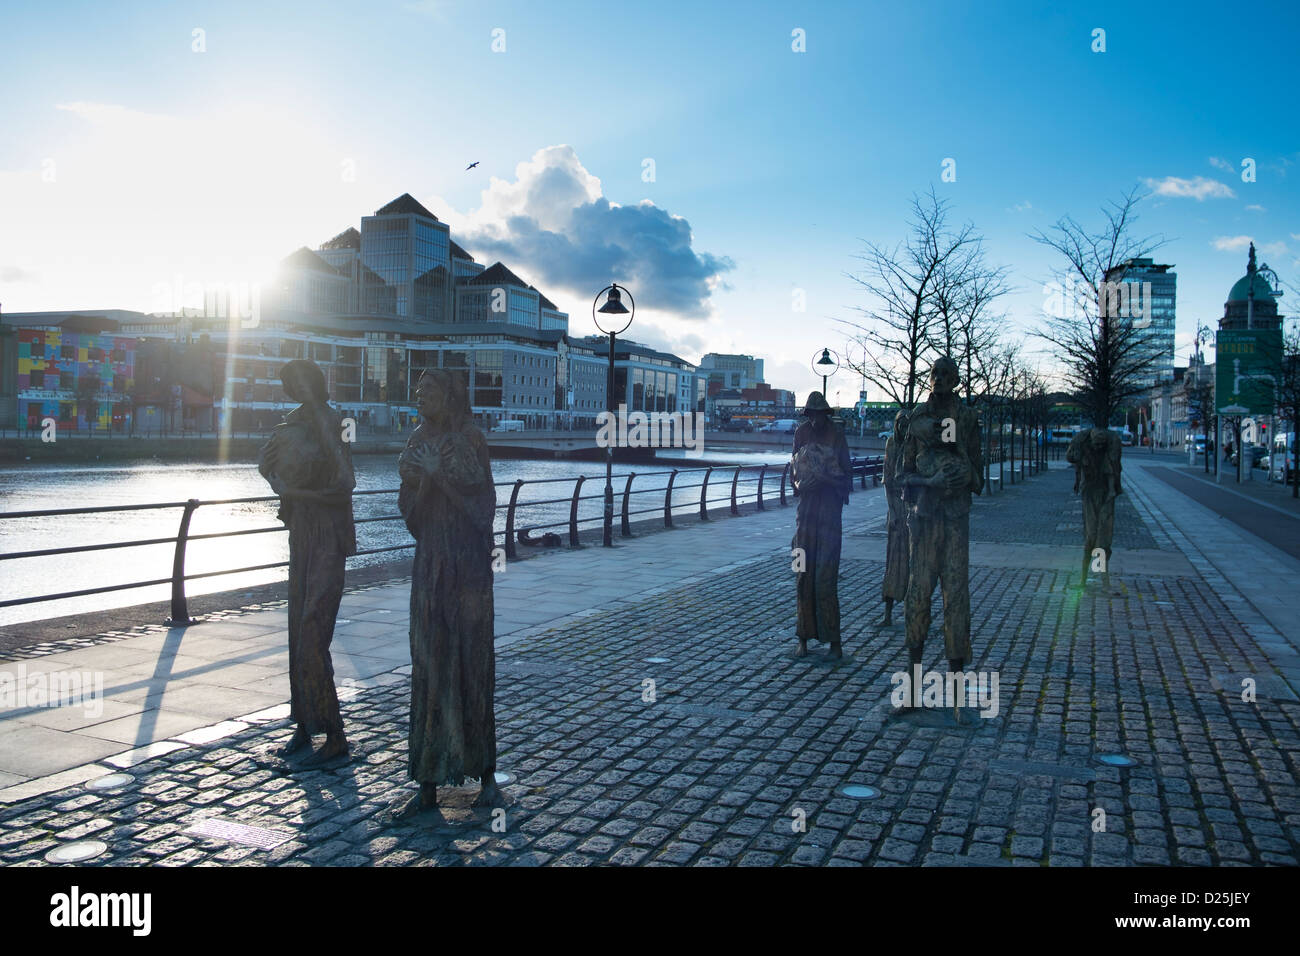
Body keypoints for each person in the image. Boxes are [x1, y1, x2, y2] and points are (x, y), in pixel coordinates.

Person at [395, 370, 500, 816]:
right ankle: (428, 781)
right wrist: (424, 481)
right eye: (418, 390)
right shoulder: (417, 440)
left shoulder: (471, 439)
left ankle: (487, 775)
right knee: (430, 664)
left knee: (472, 663)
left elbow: (483, 511)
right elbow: (411, 515)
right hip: (431, 564)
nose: (420, 396)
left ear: (451, 395)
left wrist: (442, 480)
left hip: (468, 567)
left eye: (430, 390)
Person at [257, 359, 356, 764]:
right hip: (302, 534)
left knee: (314, 633)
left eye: (302, 380)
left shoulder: (336, 423)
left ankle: (334, 734)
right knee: (298, 631)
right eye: (289, 382)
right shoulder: (289, 425)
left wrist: (302, 495)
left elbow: (346, 482)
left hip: (328, 536)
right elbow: (266, 465)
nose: (296, 387)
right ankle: (303, 723)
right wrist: (282, 485)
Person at [896, 357, 984, 725]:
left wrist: (959, 472)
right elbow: (902, 476)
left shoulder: (966, 419)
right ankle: (914, 691)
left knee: (956, 601)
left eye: (949, 376)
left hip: (955, 524)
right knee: (917, 599)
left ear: (957, 382)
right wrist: (928, 483)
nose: (941, 381)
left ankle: (959, 697)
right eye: (936, 374)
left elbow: (979, 478)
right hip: (925, 521)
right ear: (929, 378)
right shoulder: (916, 420)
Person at [791, 392, 852, 659]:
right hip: (805, 516)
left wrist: (826, 480)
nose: (815, 421)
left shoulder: (837, 435)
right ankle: (802, 638)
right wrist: (801, 484)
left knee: (826, 578)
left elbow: (847, 477)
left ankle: (834, 641)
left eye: (819, 415)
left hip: (828, 516)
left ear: (825, 414)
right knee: (802, 574)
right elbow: (793, 472)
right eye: (811, 415)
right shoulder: (800, 433)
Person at [1066, 427, 1122, 587]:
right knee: (1090, 537)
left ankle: (1103, 580)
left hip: (1104, 496)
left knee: (1103, 539)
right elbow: (1071, 458)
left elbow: (1112, 473)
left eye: (1101, 445)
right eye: (1096, 444)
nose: (1098, 448)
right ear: (1090, 443)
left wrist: (1111, 491)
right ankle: (1084, 579)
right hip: (1090, 494)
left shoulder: (1106, 456)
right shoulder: (1084, 451)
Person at [880, 407, 912, 626]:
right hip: (897, 511)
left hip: (913, 510)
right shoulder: (891, 443)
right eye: (900, 422)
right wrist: (893, 511)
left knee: (913, 565)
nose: (903, 427)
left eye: (907, 423)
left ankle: (913, 613)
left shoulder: (915, 445)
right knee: (892, 563)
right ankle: (888, 613)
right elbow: (887, 480)